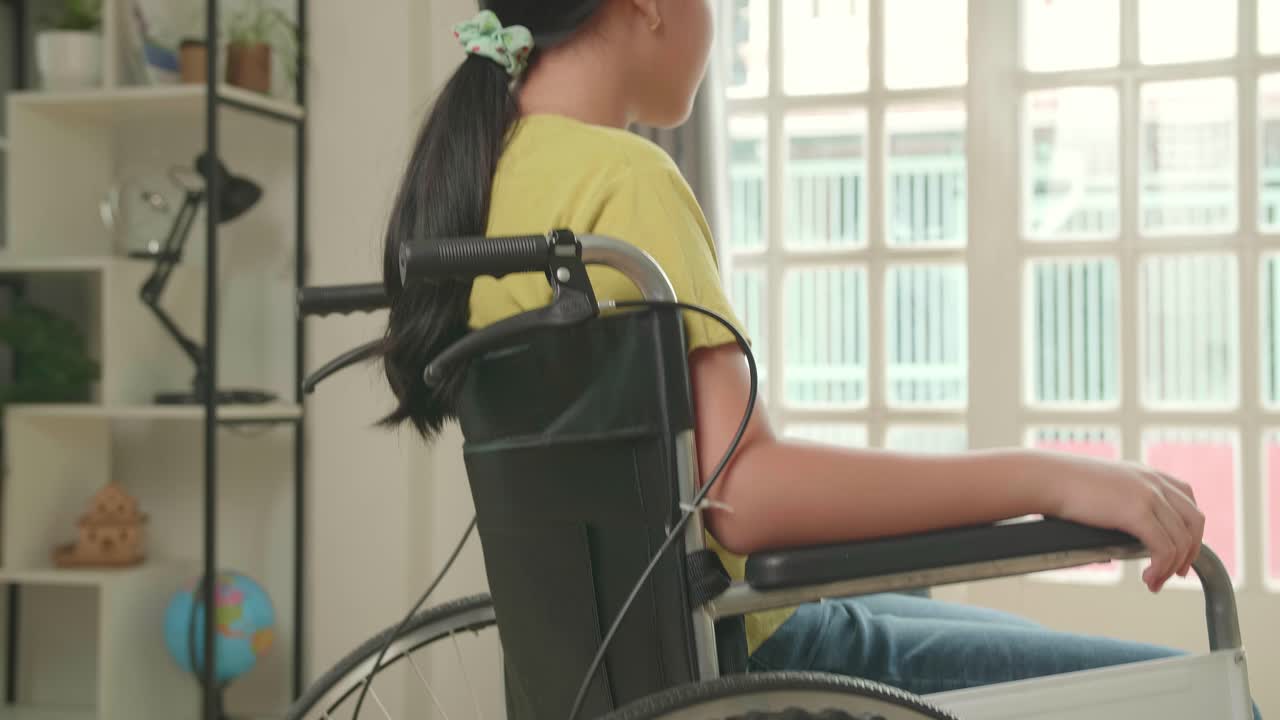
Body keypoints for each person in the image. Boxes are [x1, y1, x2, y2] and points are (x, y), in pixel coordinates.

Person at [376, 0, 1232, 708]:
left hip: (627, 672)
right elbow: (743, 496)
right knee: (1199, 695)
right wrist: (1051, 476)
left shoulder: (485, 178)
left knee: (969, 622)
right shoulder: (625, 181)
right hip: (750, 656)